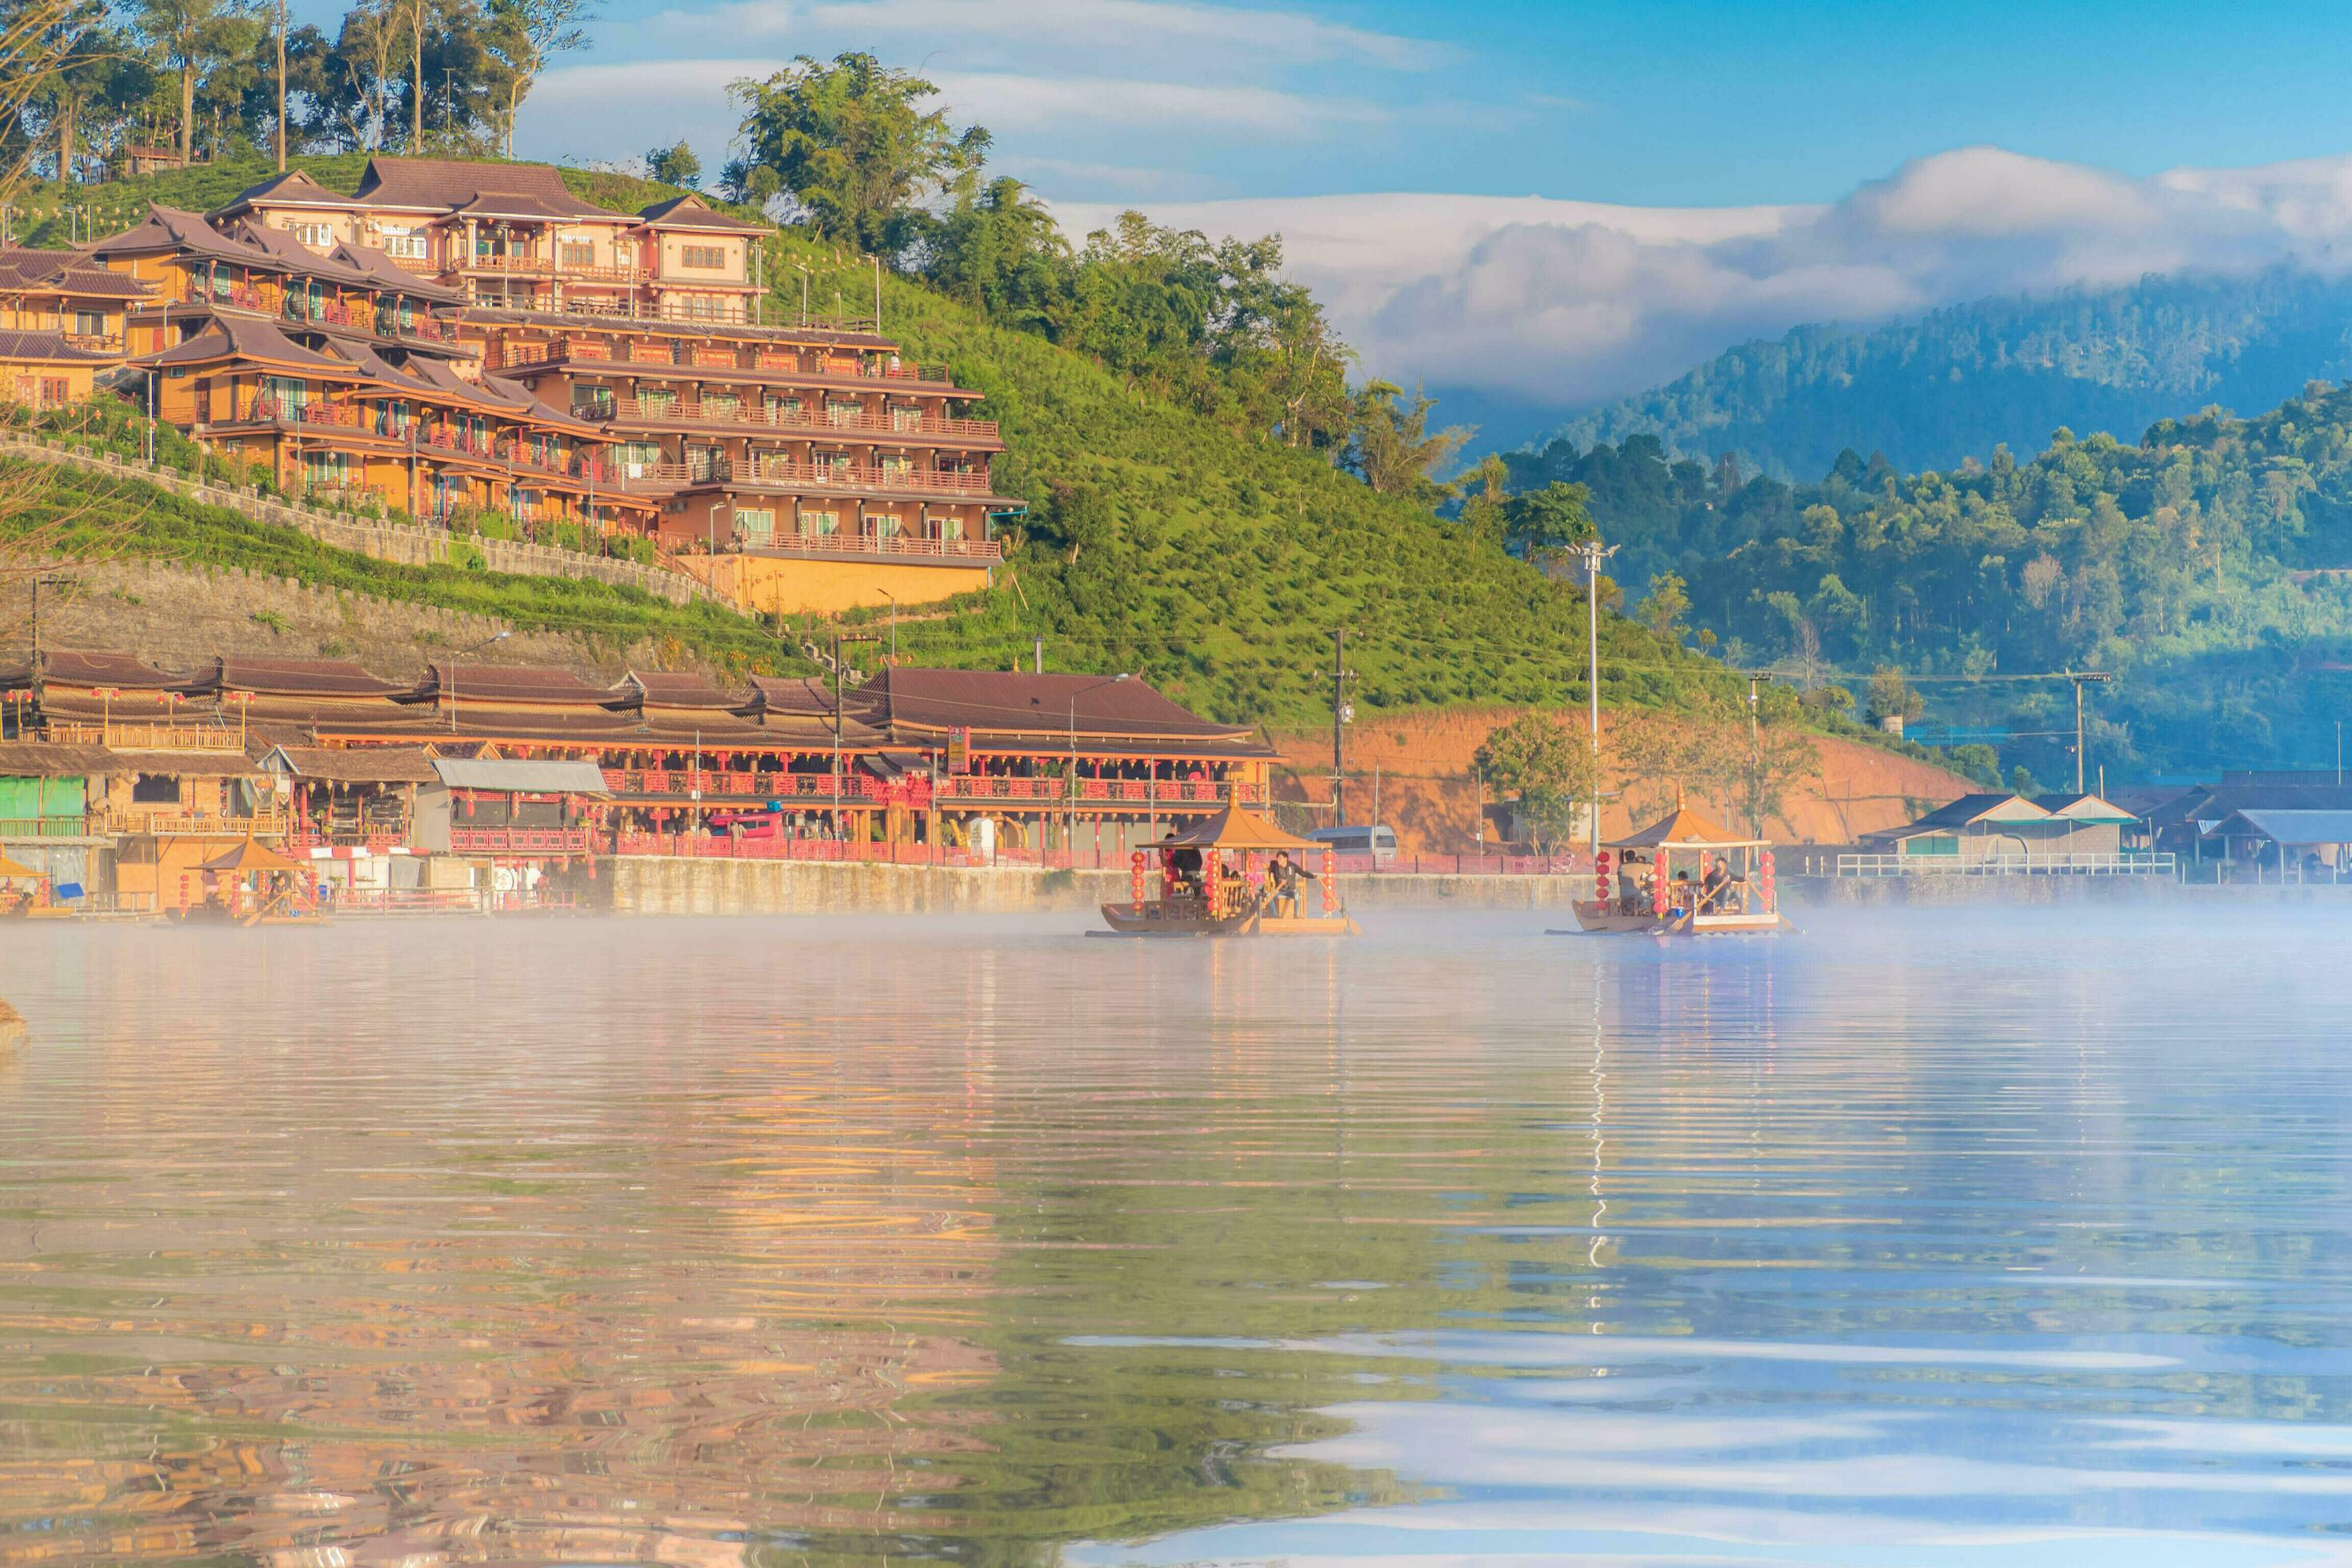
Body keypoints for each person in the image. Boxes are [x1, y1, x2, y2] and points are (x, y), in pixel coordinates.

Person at [1268, 849, 1318, 917]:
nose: (1278, 860)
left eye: (1280, 858)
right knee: (1268, 895)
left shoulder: (1292, 866)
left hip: (1290, 891)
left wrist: (1313, 876)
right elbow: (1269, 868)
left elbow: (1302, 873)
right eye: (1277, 858)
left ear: (1285, 859)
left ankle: (1295, 915)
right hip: (1279, 891)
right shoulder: (1275, 866)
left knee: (1297, 895)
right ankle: (1274, 915)